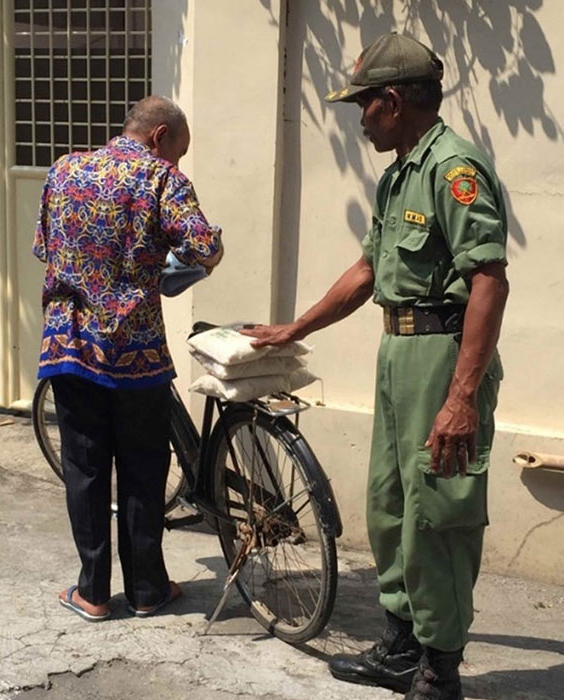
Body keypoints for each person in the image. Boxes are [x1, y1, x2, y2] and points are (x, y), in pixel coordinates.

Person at [242, 33, 508, 700]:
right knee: (391, 508)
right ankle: (401, 646)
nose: (359, 118)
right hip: (399, 351)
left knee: (438, 512)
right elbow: (368, 272)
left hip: (442, 357)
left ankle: (440, 672)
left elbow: (489, 281)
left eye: (363, 104)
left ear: (391, 102)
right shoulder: (399, 173)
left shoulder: (454, 169)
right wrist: (292, 329)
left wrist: (461, 398)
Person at [33, 96, 223, 622]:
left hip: (69, 345)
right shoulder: (162, 181)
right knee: (142, 469)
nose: (177, 165)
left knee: (86, 468)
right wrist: (190, 257)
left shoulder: (65, 169)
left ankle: (92, 592)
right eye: (177, 153)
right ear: (160, 136)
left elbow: (46, 248)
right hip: (135, 352)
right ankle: (146, 590)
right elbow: (202, 247)